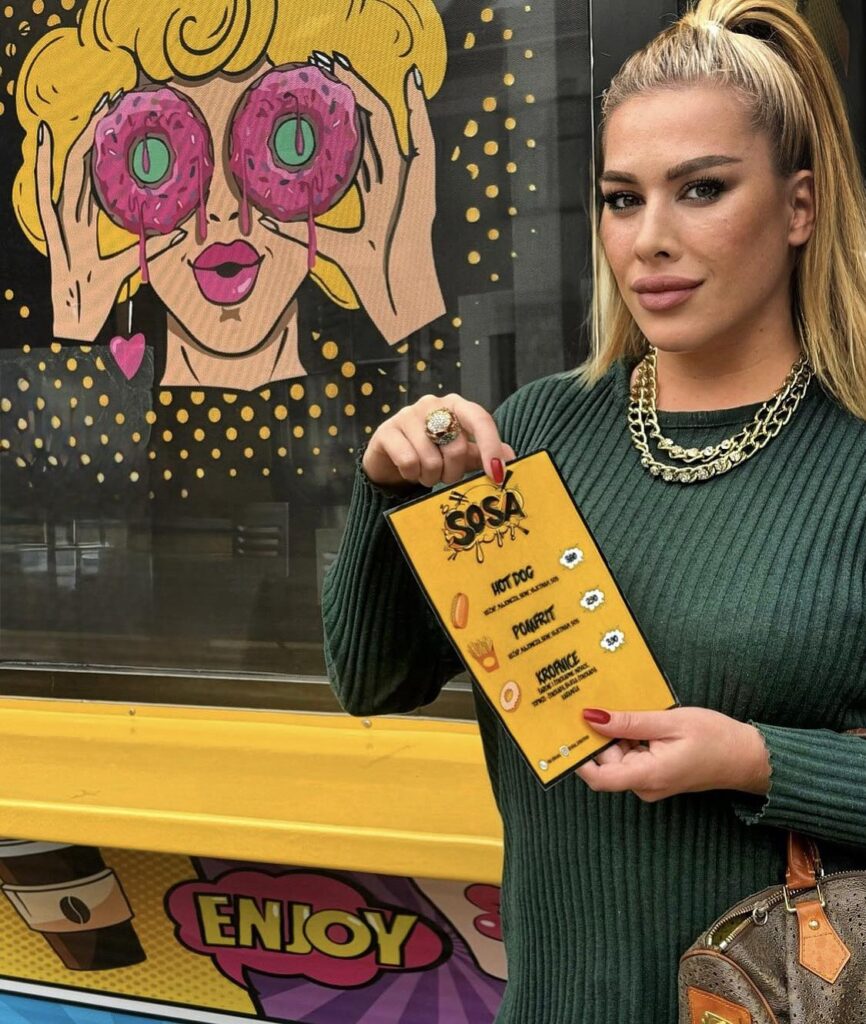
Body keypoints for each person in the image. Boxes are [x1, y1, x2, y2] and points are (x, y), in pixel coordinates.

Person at [322, 0, 866, 1018]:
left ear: (798, 207)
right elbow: (374, 679)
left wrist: (756, 761)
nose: (649, 239)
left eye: (701, 189)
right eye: (622, 199)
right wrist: (388, 492)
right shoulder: (537, 431)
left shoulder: (853, 458)